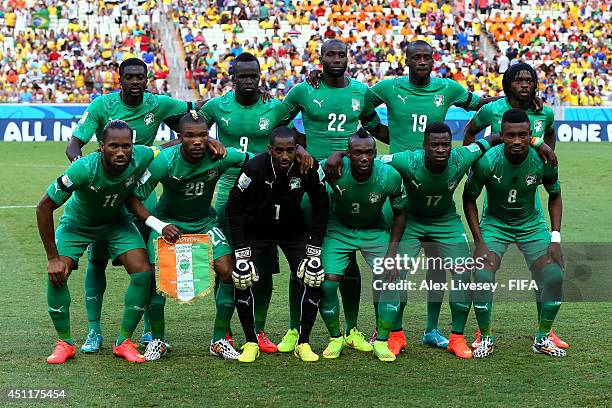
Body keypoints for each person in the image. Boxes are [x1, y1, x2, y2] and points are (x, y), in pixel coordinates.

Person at [66, 58, 220, 352]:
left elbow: (196, 111)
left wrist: (241, 96)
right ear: (120, 80)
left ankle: (150, 333)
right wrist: (84, 171)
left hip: (141, 195)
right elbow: (73, 145)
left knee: (150, 265)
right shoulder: (102, 106)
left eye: (140, 77)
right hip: (107, 199)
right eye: (130, 77)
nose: (135, 82)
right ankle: (94, 332)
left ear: (147, 79)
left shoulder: (157, 103)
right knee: (96, 262)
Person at [375, 122, 555, 358]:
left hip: (446, 220)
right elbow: (372, 161)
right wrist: (340, 158)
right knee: (396, 272)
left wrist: (538, 142)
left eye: (445, 145)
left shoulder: (463, 156)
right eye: (435, 145)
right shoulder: (408, 160)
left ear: (453, 146)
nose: (441, 150)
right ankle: (397, 335)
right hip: (411, 220)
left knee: (462, 272)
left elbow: (496, 138)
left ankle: (457, 337)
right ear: (424, 146)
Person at [199, 52, 313, 352]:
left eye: (253, 75)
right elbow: (191, 128)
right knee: (229, 266)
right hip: (228, 193)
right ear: (232, 76)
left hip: (266, 193)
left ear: (260, 76)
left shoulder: (275, 108)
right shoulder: (215, 106)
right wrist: (209, 139)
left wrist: (300, 149)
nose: (248, 80)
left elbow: (293, 136)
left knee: (262, 267)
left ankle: (258, 329)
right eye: (242, 75)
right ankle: (224, 332)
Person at [282, 39, 382, 354]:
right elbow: (279, 125)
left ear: (348, 58)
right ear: (321, 58)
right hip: (312, 182)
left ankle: (351, 329)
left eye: (342, 54)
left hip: (349, 185)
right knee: (303, 258)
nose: (336, 59)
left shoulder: (361, 92)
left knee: (348, 257)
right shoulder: (302, 90)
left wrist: (348, 151)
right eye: (331, 54)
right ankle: (294, 328)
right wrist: (300, 148)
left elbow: (372, 124)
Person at [126, 112, 250, 360]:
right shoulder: (165, 162)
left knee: (229, 271)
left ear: (210, 137)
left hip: (205, 223)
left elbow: (256, 161)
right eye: (190, 136)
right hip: (168, 224)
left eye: (203, 135)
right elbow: (133, 197)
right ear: (179, 138)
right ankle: (157, 340)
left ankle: (218, 340)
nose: (197, 141)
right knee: (153, 275)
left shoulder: (220, 156)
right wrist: (158, 225)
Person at [36, 120, 160, 364]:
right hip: (77, 225)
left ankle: (123, 341)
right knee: (58, 272)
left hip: (117, 223)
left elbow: (164, 149)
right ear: (102, 146)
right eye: (114, 146)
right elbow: (43, 207)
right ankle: (65, 343)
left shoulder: (140, 156)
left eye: (126, 146)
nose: (121, 152)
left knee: (143, 272)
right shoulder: (82, 169)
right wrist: (52, 258)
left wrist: (207, 140)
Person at [463, 63, 567, 350]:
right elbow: (470, 134)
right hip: (496, 209)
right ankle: (484, 333)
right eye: (518, 80)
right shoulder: (492, 112)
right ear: (507, 84)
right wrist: (477, 158)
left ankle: (545, 333)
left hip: (529, 207)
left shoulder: (543, 112)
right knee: (483, 271)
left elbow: (549, 138)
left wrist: (545, 156)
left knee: (549, 272)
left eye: (529, 79)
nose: (524, 84)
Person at [225, 127, 329, 362]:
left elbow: (322, 206)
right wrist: (240, 249)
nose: (284, 156)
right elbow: (233, 207)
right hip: (256, 230)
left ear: (297, 150)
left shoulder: (307, 166)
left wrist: (314, 246)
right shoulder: (253, 168)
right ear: (269, 149)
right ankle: (251, 342)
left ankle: (303, 343)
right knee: (242, 276)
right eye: (279, 150)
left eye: (290, 150)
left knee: (313, 274)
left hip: (293, 230)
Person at [318, 134, 407, 362]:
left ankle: (381, 341)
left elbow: (400, 214)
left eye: (369, 152)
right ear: (348, 154)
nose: (364, 157)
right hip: (340, 230)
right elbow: (308, 174)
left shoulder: (389, 176)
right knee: (327, 283)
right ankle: (336, 338)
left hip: (374, 231)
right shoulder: (333, 169)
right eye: (358, 153)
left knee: (391, 280)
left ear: (376, 154)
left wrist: (391, 254)